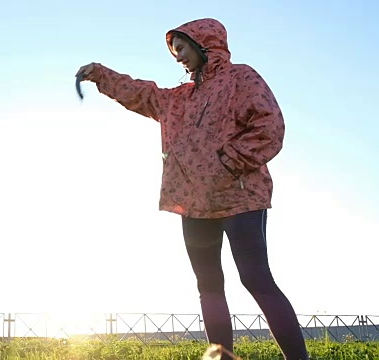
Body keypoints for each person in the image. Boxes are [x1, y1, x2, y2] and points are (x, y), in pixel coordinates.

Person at [75, 18, 308, 360]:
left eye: (182, 48)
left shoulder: (241, 77)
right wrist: (98, 73)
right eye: (174, 52)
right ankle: (222, 357)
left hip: (239, 195)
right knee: (208, 285)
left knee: (255, 277)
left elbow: (269, 125)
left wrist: (228, 162)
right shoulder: (177, 99)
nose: (178, 57)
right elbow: (140, 93)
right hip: (193, 203)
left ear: (204, 43)